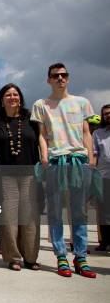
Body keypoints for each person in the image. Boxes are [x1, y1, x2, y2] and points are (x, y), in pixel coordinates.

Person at [31, 63, 96, 278]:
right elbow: (41, 134)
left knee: (79, 211)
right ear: (48, 79)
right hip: (56, 160)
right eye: (55, 76)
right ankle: (61, 255)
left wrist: (91, 156)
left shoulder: (82, 103)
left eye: (64, 75)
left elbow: (86, 132)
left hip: (79, 159)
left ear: (68, 78)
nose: (60, 78)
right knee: (55, 211)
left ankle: (80, 257)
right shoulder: (41, 104)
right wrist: (44, 155)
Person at [0, 83, 41, 271]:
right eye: (8, 95)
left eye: (16, 94)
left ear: (20, 98)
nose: (13, 97)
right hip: (5, 176)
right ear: (2, 100)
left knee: (29, 219)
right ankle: (13, 258)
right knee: (8, 219)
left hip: (30, 175)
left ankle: (30, 257)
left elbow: (42, 141)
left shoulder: (31, 119)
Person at [93, 104, 110, 251]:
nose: (108, 116)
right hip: (103, 176)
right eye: (105, 114)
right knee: (104, 210)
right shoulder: (98, 133)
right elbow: (95, 154)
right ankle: (104, 241)